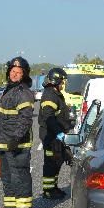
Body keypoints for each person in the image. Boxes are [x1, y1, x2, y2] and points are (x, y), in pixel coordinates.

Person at [0, 56, 35, 208]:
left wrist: (15, 139)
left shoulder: (24, 93)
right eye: (12, 71)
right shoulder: (9, 90)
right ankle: (11, 206)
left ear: (24, 75)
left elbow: (25, 119)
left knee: (20, 176)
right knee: (7, 175)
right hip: (6, 143)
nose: (14, 74)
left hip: (18, 144)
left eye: (18, 72)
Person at [39, 67, 70, 199]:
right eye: (62, 82)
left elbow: (59, 115)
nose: (63, 84)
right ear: (56, 81)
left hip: (56, 136)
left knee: (57, 161)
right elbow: (49, 117)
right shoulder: (50, 95)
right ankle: (48, 190)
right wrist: (59, 133)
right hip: (50, 136)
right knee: (51, 163)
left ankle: (54, 187)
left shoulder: (55, 94)